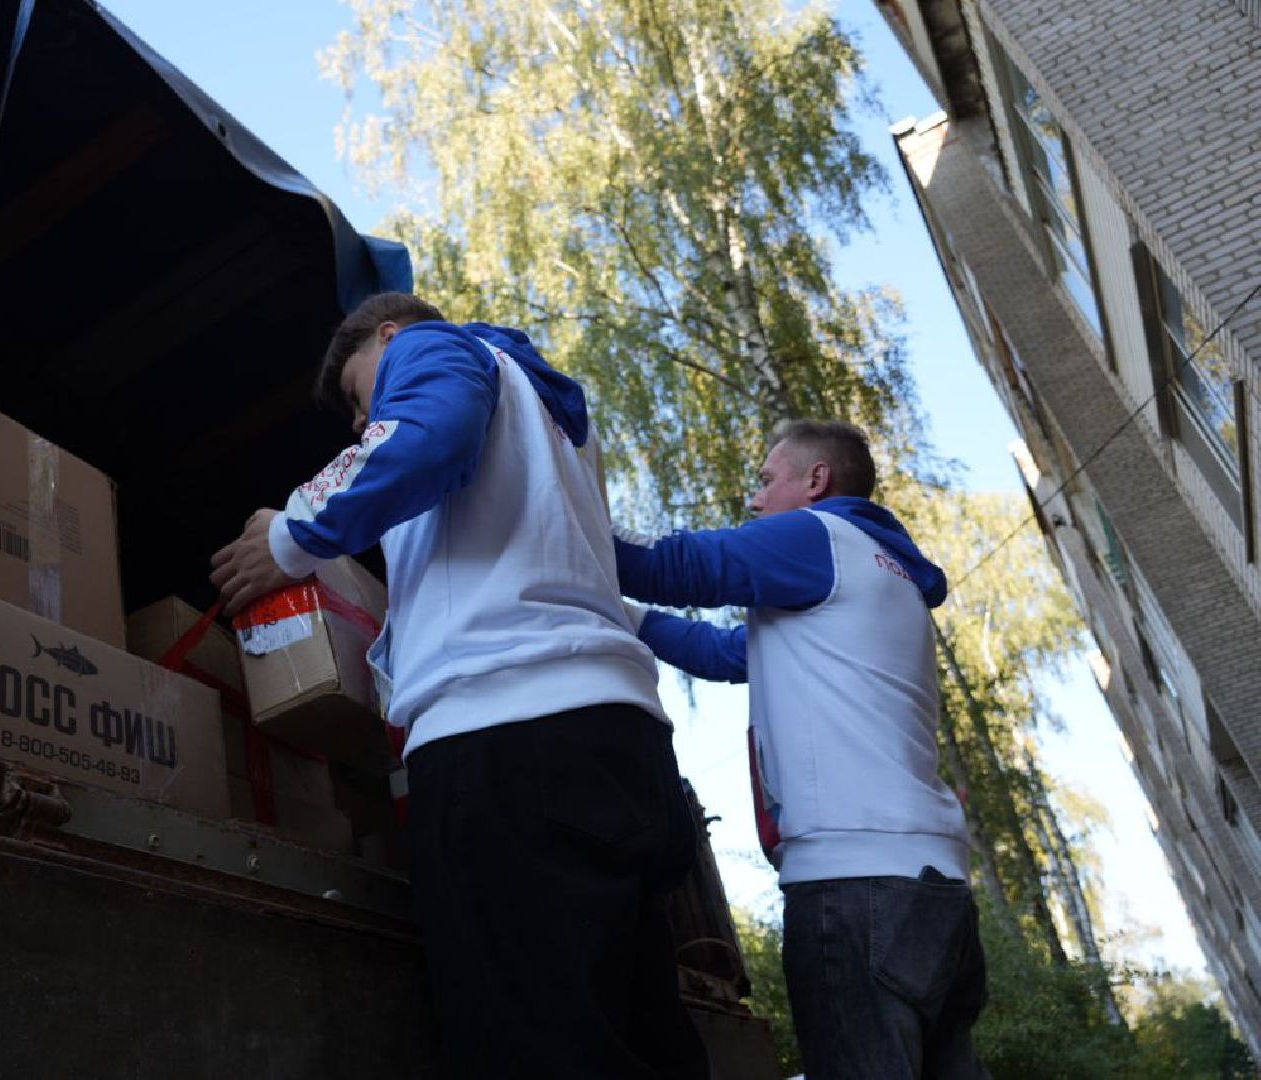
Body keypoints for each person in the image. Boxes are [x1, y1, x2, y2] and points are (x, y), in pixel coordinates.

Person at [210, 292, 708, 1079]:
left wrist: (291, 534)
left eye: (354, 392)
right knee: (641, 1038)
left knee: (531, 1048)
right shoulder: (552, 425)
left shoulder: (434, 351)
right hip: (621, 747)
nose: (356, 419)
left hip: (508, 747)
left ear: (389, 335)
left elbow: (423, 437)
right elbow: (635, 564)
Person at [616, 419, 988, 1079]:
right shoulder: (883, 575)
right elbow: (724, 653)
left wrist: (556, 519)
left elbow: (676, 565)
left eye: (766, 480)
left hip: (854, 883)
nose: (753, 500)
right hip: (934, 889)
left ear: (815, 481)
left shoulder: (820, 536)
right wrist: (621, 615)